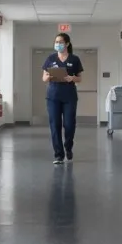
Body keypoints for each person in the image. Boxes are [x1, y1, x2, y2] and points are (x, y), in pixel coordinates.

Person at [41, 32, 83, 164]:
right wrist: (47, 77)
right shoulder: (51, 58)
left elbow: (80, 78)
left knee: (69, 124)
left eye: (60, 42)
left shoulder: (74, 59)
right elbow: (44, 78)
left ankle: (68, 147)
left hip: (69, 96)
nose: (58, 44)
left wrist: (72, 78)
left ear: (67, 44)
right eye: (56, 42)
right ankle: (58, 155)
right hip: (53, 96)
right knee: (55, 125)